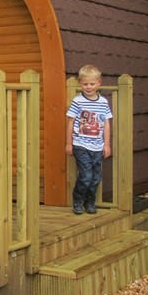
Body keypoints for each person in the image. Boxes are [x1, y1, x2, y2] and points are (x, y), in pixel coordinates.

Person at [65, 65, 112, 215]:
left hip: (97, 147)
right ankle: (78, 200)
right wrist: (69, 143)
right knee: (86, 176)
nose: (89, 87)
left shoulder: (103, 102)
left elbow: (106, 124)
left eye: (92, 83)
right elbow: (70, 122)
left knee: (96, 177)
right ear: (80, 83)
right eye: (85, 84)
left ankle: (89, 201)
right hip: (81, 145)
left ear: (99, 83)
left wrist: (107, 145)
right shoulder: (78, 101)